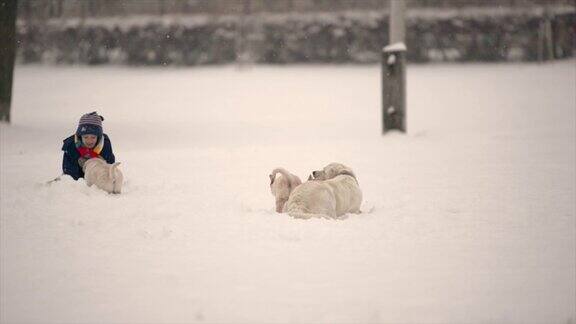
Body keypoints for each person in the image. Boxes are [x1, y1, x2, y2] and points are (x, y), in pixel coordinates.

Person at [62, 112, 115, 180]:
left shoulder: (105, 145)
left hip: (98, 177)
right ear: (80, 136)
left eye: (93, 137)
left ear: (98, 137)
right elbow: (69, 172)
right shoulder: (71, 145)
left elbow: (110, 168)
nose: (89, 141)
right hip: (78, 178)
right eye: (86, 137)